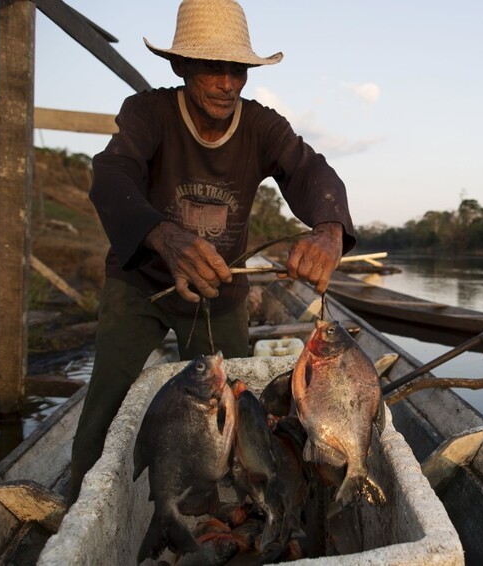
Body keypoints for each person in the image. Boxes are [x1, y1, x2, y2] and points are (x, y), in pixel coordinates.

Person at [68, 0, 355, 505]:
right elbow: (112, 176)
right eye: (211, 68)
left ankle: (235, 509)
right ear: (180, 66)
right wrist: (165, 237)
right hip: (141, 287)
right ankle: (80, 509)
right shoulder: (148, 114)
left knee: (237, 414)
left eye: (238, 69)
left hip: (221, 293)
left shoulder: (264, 127)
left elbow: (312, 172)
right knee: (105, 405)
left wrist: (329, 228)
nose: (228, 83)